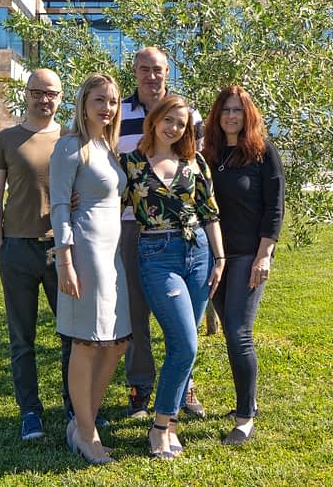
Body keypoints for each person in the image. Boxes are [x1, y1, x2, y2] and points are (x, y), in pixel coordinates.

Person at [121, 94, 226, 459]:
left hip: (198, 252)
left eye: (181, 123)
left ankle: (171, 423)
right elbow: (107, 205)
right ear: (155, 120)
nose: (174, 128)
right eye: (169, 120)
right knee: (186, 344)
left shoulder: (194, 162)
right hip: (156, 254)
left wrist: (219, 257)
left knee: (185, 344)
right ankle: (160, 426)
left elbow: (209, 213)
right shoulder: (131, 163)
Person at [118, 46, 207, 419]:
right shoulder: (118, 113)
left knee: (184, 317)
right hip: (130, 224)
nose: (150, 76)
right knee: (136, 309)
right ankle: (140, 388)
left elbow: (198, 171)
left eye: (157, 69)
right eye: (143, 69)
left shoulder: (191, 115)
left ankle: (183, 386)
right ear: (134, 72)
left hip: (183, 232)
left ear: (168, 71)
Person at [0, 68, 72, 441]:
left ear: (61, 97)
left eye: (51, 93)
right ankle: (30, 412)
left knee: (72, 335)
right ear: (27, 94)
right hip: (17, 250)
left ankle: (76, 407)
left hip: (61, 251)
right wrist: (0, 246)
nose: (44, 99)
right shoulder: (7, 139)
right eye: (37, 92)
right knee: (22, 339)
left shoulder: (70, 139)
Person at [49, 73, 132, 465]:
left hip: (111, 255)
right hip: (84, 254)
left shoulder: (106, 147)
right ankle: (86, 432)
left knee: (117, 342)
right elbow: (61, 206)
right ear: (83, 103)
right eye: (99, 100)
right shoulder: (71, 146)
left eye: (113, 101)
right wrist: (65, 260)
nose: (107, 107)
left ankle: (83, 424)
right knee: (86, 342)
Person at [201, 85, 285, 446]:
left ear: (247, 115)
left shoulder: (263, 153)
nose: (231, 116)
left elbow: (275, 207)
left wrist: (264, 254)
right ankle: (247, 402)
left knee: (238, 331)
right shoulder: (208, 154)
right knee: (233, 331)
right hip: (215, 256)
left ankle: (245, 417)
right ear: (217, 117)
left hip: (249, 256)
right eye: (225, 111)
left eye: (237, 110)